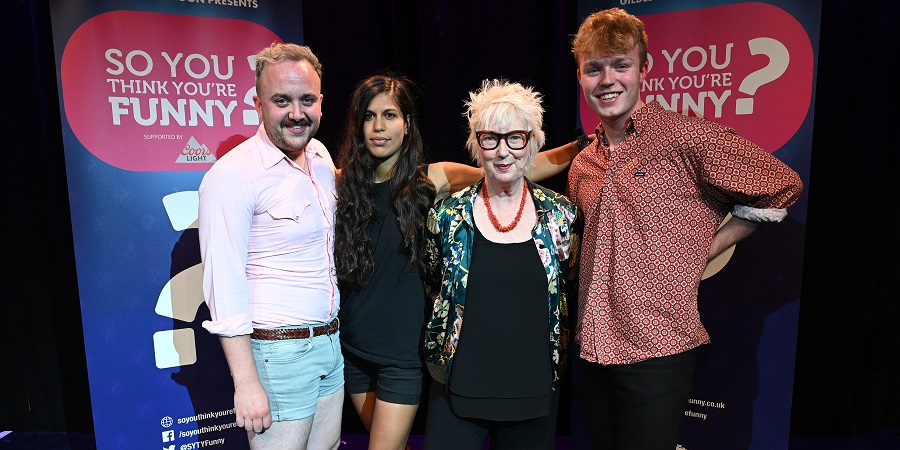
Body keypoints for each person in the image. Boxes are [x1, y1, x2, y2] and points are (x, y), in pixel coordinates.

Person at [567, 8, 804, 450]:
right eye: (593, 69)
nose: (607, 80)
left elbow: (781, 185)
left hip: (657, 344)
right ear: (581, 77)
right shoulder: (584, 164)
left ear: (644, 69)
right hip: (592, 346)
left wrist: (704, 249)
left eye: (621, 65)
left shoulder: (686, 137)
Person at [333, 74, 584, 450]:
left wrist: (581, 146)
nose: (379, 126)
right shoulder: (338, 183)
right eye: (369, 116)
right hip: (352, 348)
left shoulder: (433, 182)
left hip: (404, 355)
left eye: (389, 115)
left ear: (408, 124)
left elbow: (509, 168)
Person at [419, 79, 578, 450]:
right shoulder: (446, 215)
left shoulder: (560, 215)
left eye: (515, 138)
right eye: (490, 138)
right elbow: (434, 285)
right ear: (477, 145)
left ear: (533, 142)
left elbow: (567, 287)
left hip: (534, 391)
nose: (503, 151)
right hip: (457, 388)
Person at [198, 42, 342, 450]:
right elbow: (223, 287)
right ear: (258, 104)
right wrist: (246, 383)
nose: (297, 113)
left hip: (330, 344)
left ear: (320, 101)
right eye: (282, 100)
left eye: (306, 100)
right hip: (277, 356)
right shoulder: (232, 176)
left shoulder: (318, 154)